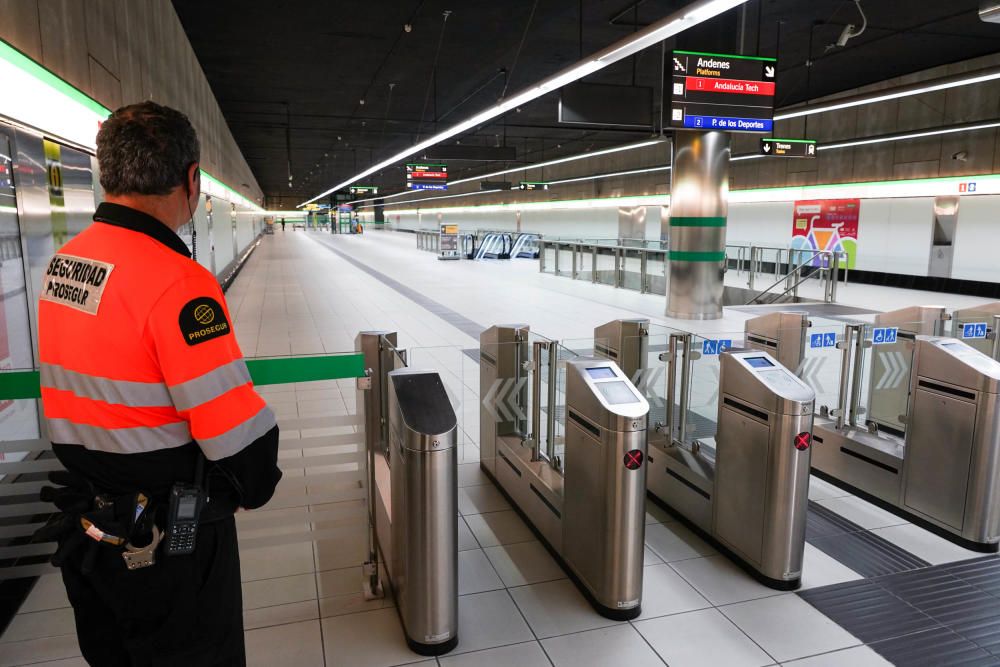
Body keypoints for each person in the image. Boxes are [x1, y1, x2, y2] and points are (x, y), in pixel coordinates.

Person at [36, 101, 281, 666]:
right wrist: (255, 484)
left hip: (91, 532)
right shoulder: (180, 283)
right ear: (190, 180)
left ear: (107, 174)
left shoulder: (65, 265)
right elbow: (229, 423)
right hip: (167, 542)